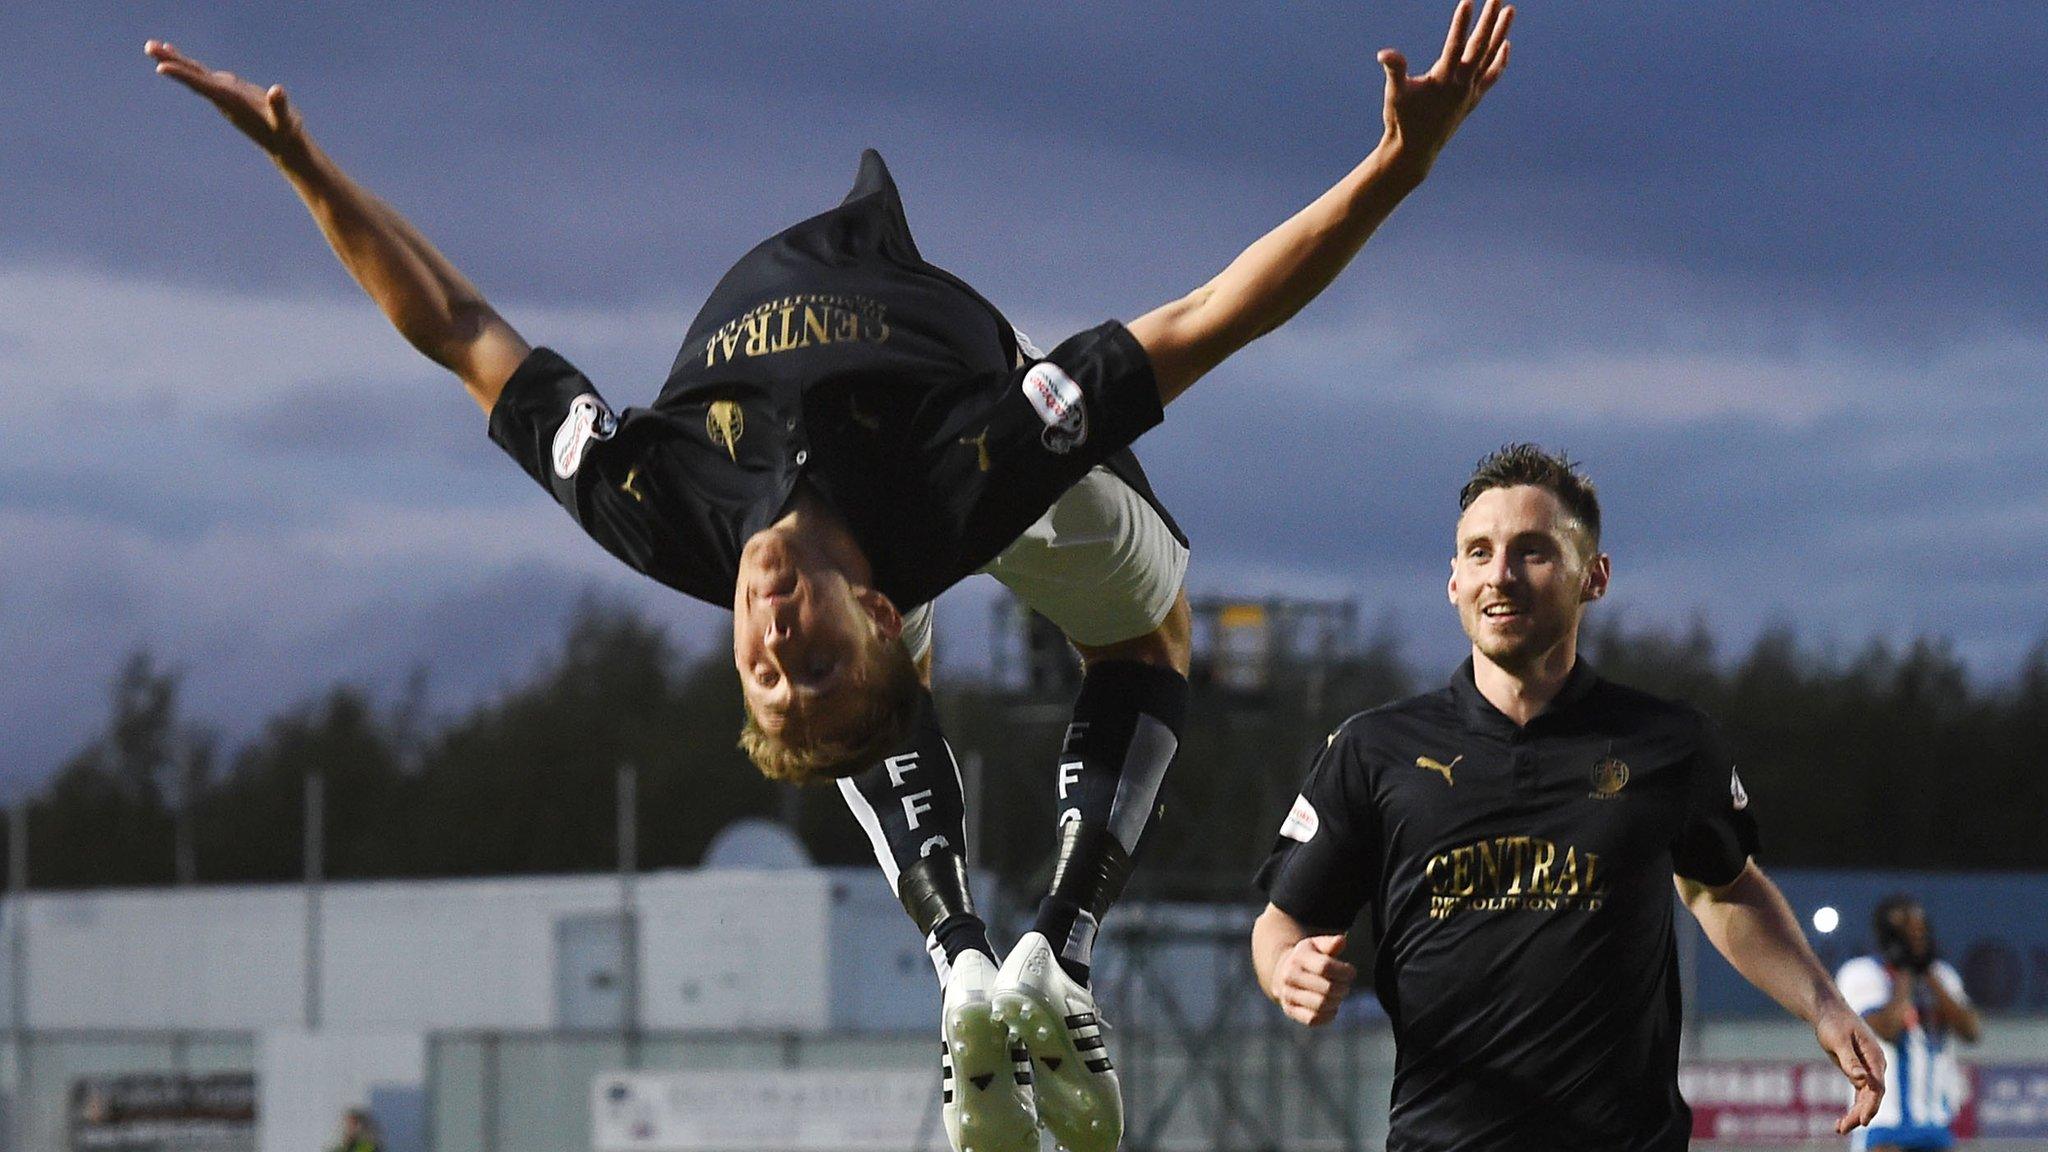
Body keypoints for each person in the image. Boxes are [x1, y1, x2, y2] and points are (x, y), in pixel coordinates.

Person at [148, 5, 1511, 1150]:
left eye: (762, 665)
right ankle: (1056, 949)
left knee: (911, 698)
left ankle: (966, 966)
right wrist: (1394, 172)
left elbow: (455, 330)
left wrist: (304, 170)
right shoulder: (965, 474)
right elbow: (1212, 317)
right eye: (813, 657)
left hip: (906, 490)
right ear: (887, 623)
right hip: (979, 427)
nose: (772, 634)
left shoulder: (651, 506)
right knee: (1150, 634)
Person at [1251, 445, 1889, 1151]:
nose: (1501, 575)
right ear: (1453, 580)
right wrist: (1287, 971)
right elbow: (1283, 922)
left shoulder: (1669, 743)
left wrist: (1826, 1008)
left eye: (1533, 552)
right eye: (1479, 552)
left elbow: (1724, 891)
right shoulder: (1373, 751)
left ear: (1595, 576)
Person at [1835, 895, 1981, 1152]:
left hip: (1936, 1123)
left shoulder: (1942, 976)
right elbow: (1888, 1028)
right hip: (1884, 1125)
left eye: (1921, 932)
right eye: (1908, 934)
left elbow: (1971, 1031)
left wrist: (1927, 972)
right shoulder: (1861, 973)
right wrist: (1904, 971)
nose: (1917, 940)